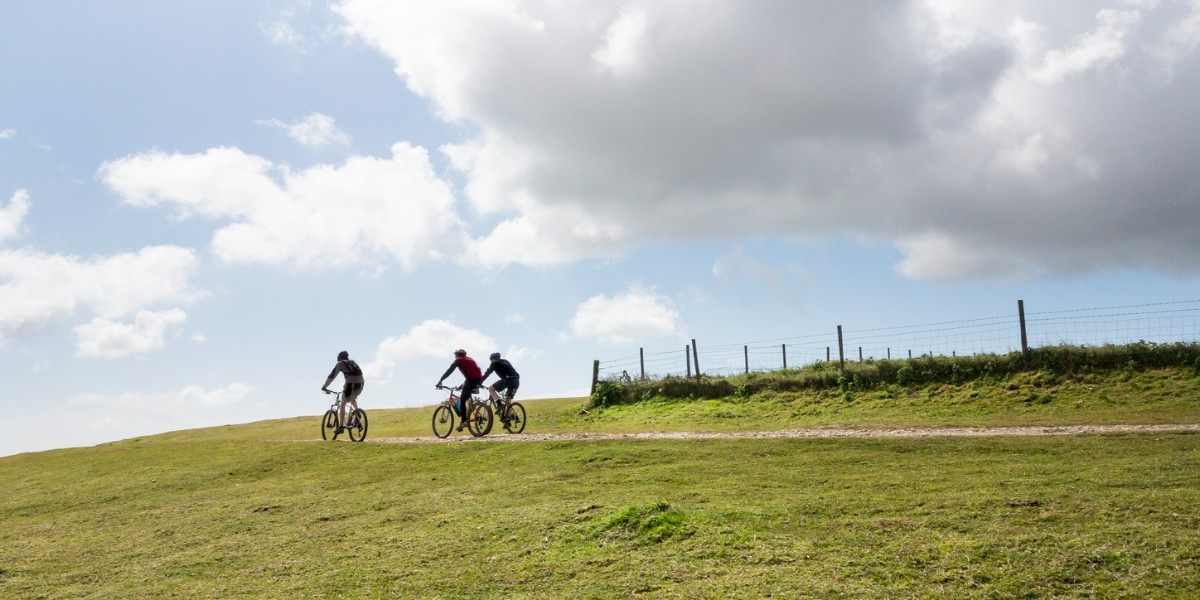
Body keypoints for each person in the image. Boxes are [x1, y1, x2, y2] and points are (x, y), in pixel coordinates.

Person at [436, 348, 483, 431]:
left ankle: (464, 421)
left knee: (462, 401)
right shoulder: (470, 359)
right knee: (467, 397)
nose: (455, 357)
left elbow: (449, 371)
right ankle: (471, 413)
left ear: (457, 355)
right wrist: (461, 386)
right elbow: (471, 375)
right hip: (478, 380)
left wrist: (441, 380)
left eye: (455, 355)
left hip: (471, 381)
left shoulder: (458, 360)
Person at [322, 350, 364, 433]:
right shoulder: (353, 363)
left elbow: (332, 376)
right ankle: (357, 413)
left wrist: (324, 386)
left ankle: (340, 427)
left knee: (343, 403)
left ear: (340, 358)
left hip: (350, 383)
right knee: (352, 397)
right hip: (361, 383)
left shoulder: (340, 363)